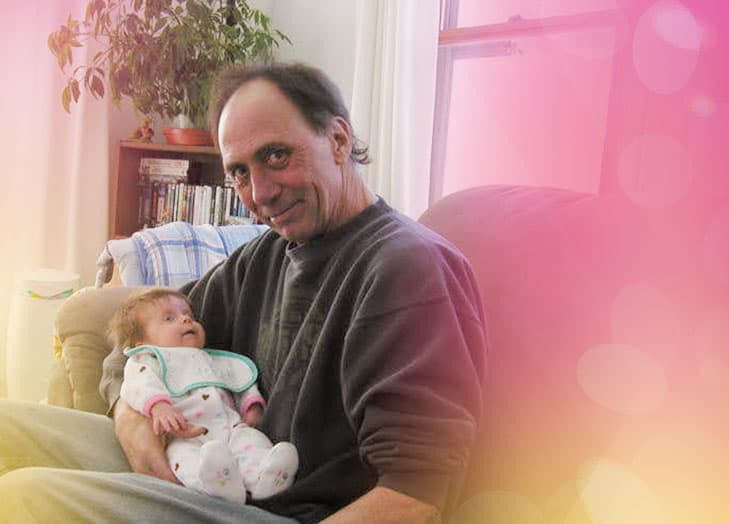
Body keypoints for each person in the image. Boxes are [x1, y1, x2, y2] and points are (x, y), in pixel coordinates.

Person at [0, 62, 486, 523]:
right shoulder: (266, 255)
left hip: (280, 509)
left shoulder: (407, 268)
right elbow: (137, 341)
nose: (259, 194)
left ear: (338, 140)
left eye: (276, 156)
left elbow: (415, 498)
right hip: (201, 463)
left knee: (23, 496)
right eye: (239, 172)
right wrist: (132, 418)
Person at [111, 287, 299, 504]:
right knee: (182, 458)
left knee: (252, 441)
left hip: (233, 428)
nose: (185, 319)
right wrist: (158, 407)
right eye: (169, 318)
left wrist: (252, 407)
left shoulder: (217, 360)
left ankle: (265, 479)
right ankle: (213, 486)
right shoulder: (148, 361)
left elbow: (241, 382)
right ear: (142, 344)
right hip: (186, 434)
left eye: (189, 315)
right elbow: (138, 384)